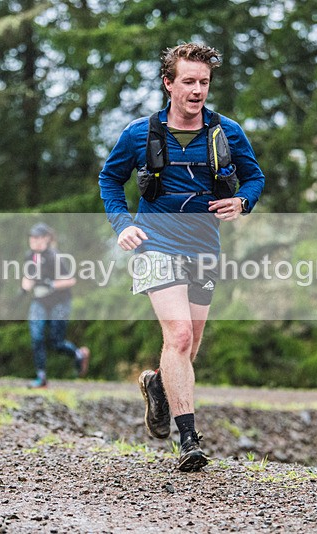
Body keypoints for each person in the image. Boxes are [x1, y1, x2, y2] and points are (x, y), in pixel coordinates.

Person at [98, 43, 265, 471]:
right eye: (188, 81)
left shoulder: (227, 131)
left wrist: (243, 203)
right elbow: (110, 181)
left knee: (189, 343)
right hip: (155, 242)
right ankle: (188, 439)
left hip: (204, 245)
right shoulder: (139, 133)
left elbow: (254, 177)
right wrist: (123, 225)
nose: (197, 90)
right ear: (168, 83)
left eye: (203, 82)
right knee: (179, 336)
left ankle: (158, 386)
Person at [21, 222, 90, 388]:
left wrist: (51, 284)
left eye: (38, 237)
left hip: (60, 302)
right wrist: (24, 288)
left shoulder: (54, 257)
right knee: (36, 337)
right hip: (40, 302)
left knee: (56, 342)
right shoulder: (30, 256)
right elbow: (28, 277)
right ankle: (41, 377)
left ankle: (79, 354)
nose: (34, 241)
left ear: (46, 239)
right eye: (32, 237)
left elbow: (71, 280)